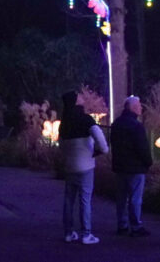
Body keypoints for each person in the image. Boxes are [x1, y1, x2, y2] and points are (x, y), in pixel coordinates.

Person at [60, 91, 109, 245]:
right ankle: (86, 234)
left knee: (69, 200)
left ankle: (68, 233)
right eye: (78, 97)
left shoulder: (64, 123)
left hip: (70, 166)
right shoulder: (86, 119)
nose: (81, 98)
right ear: (75, 102)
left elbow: (62, 146)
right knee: (85, 200)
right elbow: (100, 138)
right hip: (86, 165)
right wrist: (100, 151)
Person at [110, 95, 152, 237]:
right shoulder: (136, 126)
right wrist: (148, 162)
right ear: (133, 108)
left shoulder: (116, 124)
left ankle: (122, 224)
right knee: (135, 198)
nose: (141, 108)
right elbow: (142, 147)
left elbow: (113, 144)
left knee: (121, 197)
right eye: (139, 106)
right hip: (135, 167)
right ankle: (136, 226)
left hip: (120, 166)